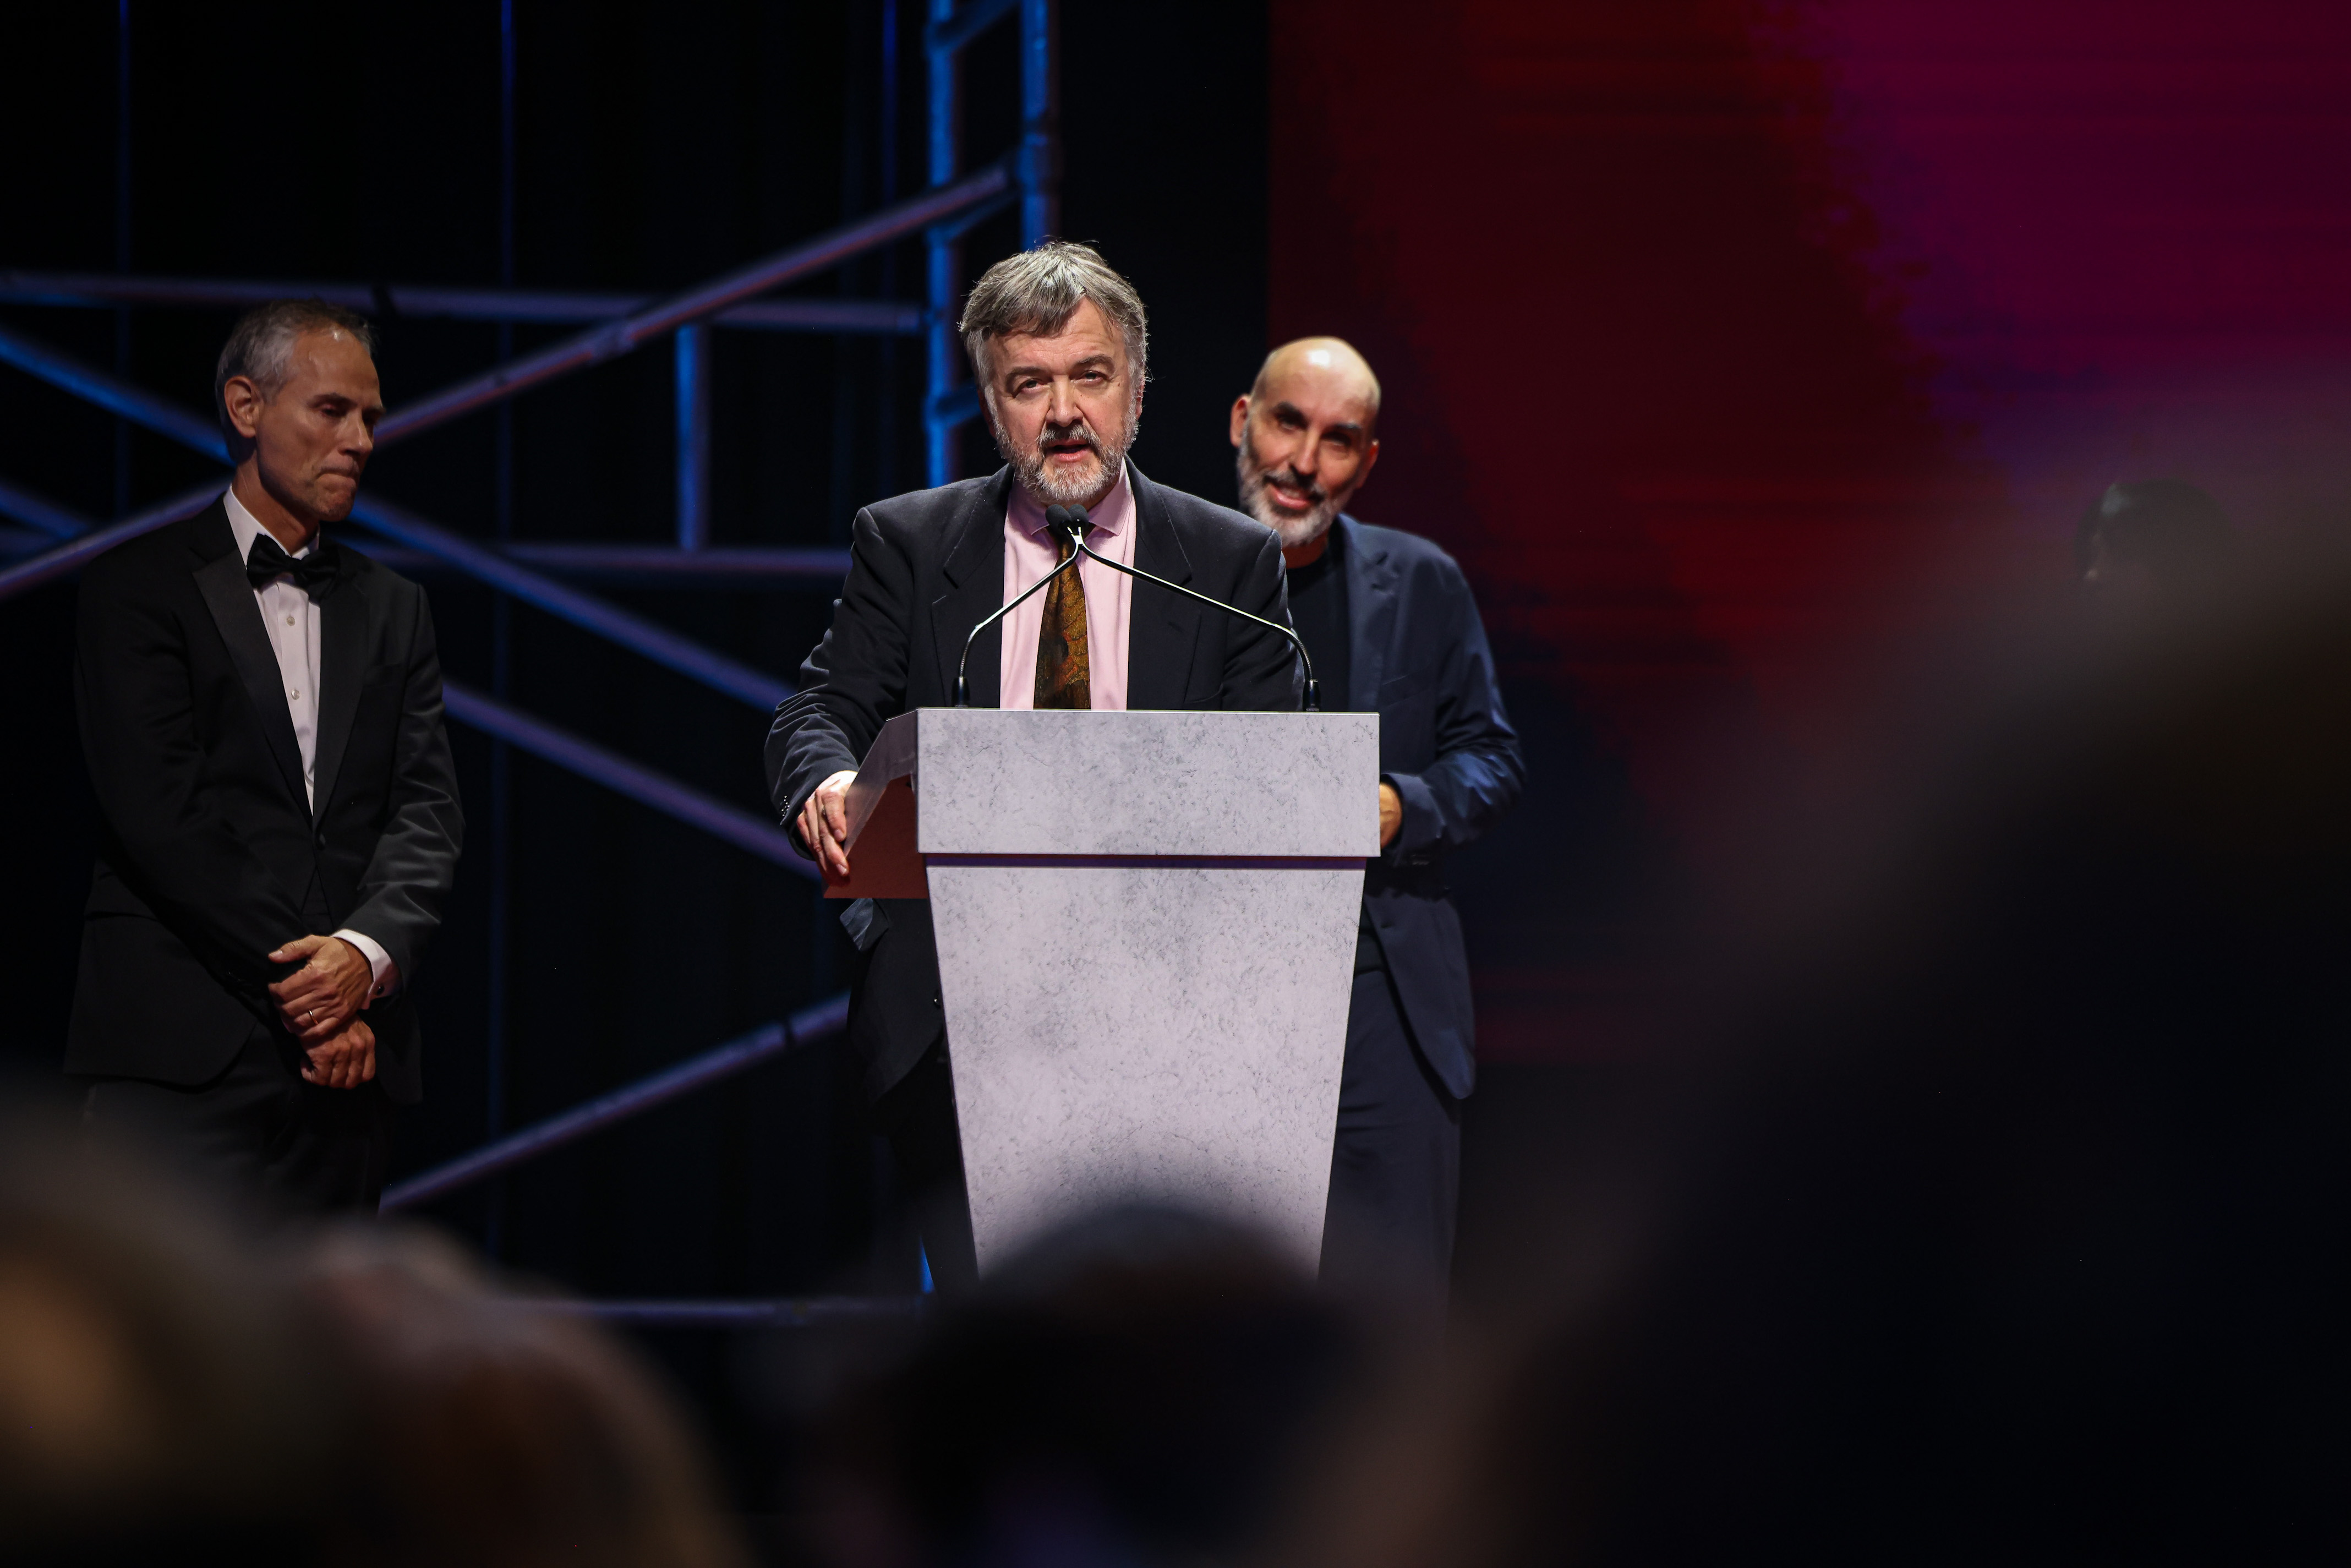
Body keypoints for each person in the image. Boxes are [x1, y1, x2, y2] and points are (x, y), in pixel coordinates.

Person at [766, 242, 1300, 1291]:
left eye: (1089, 377)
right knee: (990, 1341)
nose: (1063, 411)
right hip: (957, 1026)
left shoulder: (1230, 563)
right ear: (991, 401)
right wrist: (825, 782)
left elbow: (1275, 776)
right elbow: (820, 707)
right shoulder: (911, 545)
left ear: (1137, 390)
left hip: (1174, 1029)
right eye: (1029, 383)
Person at [69, 299, 464, 1212]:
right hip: (182, 1056)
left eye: (371, 417)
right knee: (153, 1347)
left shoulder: (394, 605)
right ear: (246, 407)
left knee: (322, 1354)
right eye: (333, 411)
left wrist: (364, 957)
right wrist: (314, 987)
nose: (362, 440)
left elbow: (428, 811)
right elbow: (162, 813)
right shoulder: (137, 587)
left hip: (347, 1068)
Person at [1229, 337, 1523, 1319]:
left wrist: (1403, 804)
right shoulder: (1157, 579)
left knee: (1390, 1331)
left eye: (1338, 439)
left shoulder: (1422, 578)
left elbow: (1492, 757)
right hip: (1214, 1003)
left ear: (1369, 460)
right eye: (1287, 424)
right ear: (1241, 420)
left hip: (1383, 1002)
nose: (1306, 462)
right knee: (1224, 1327)